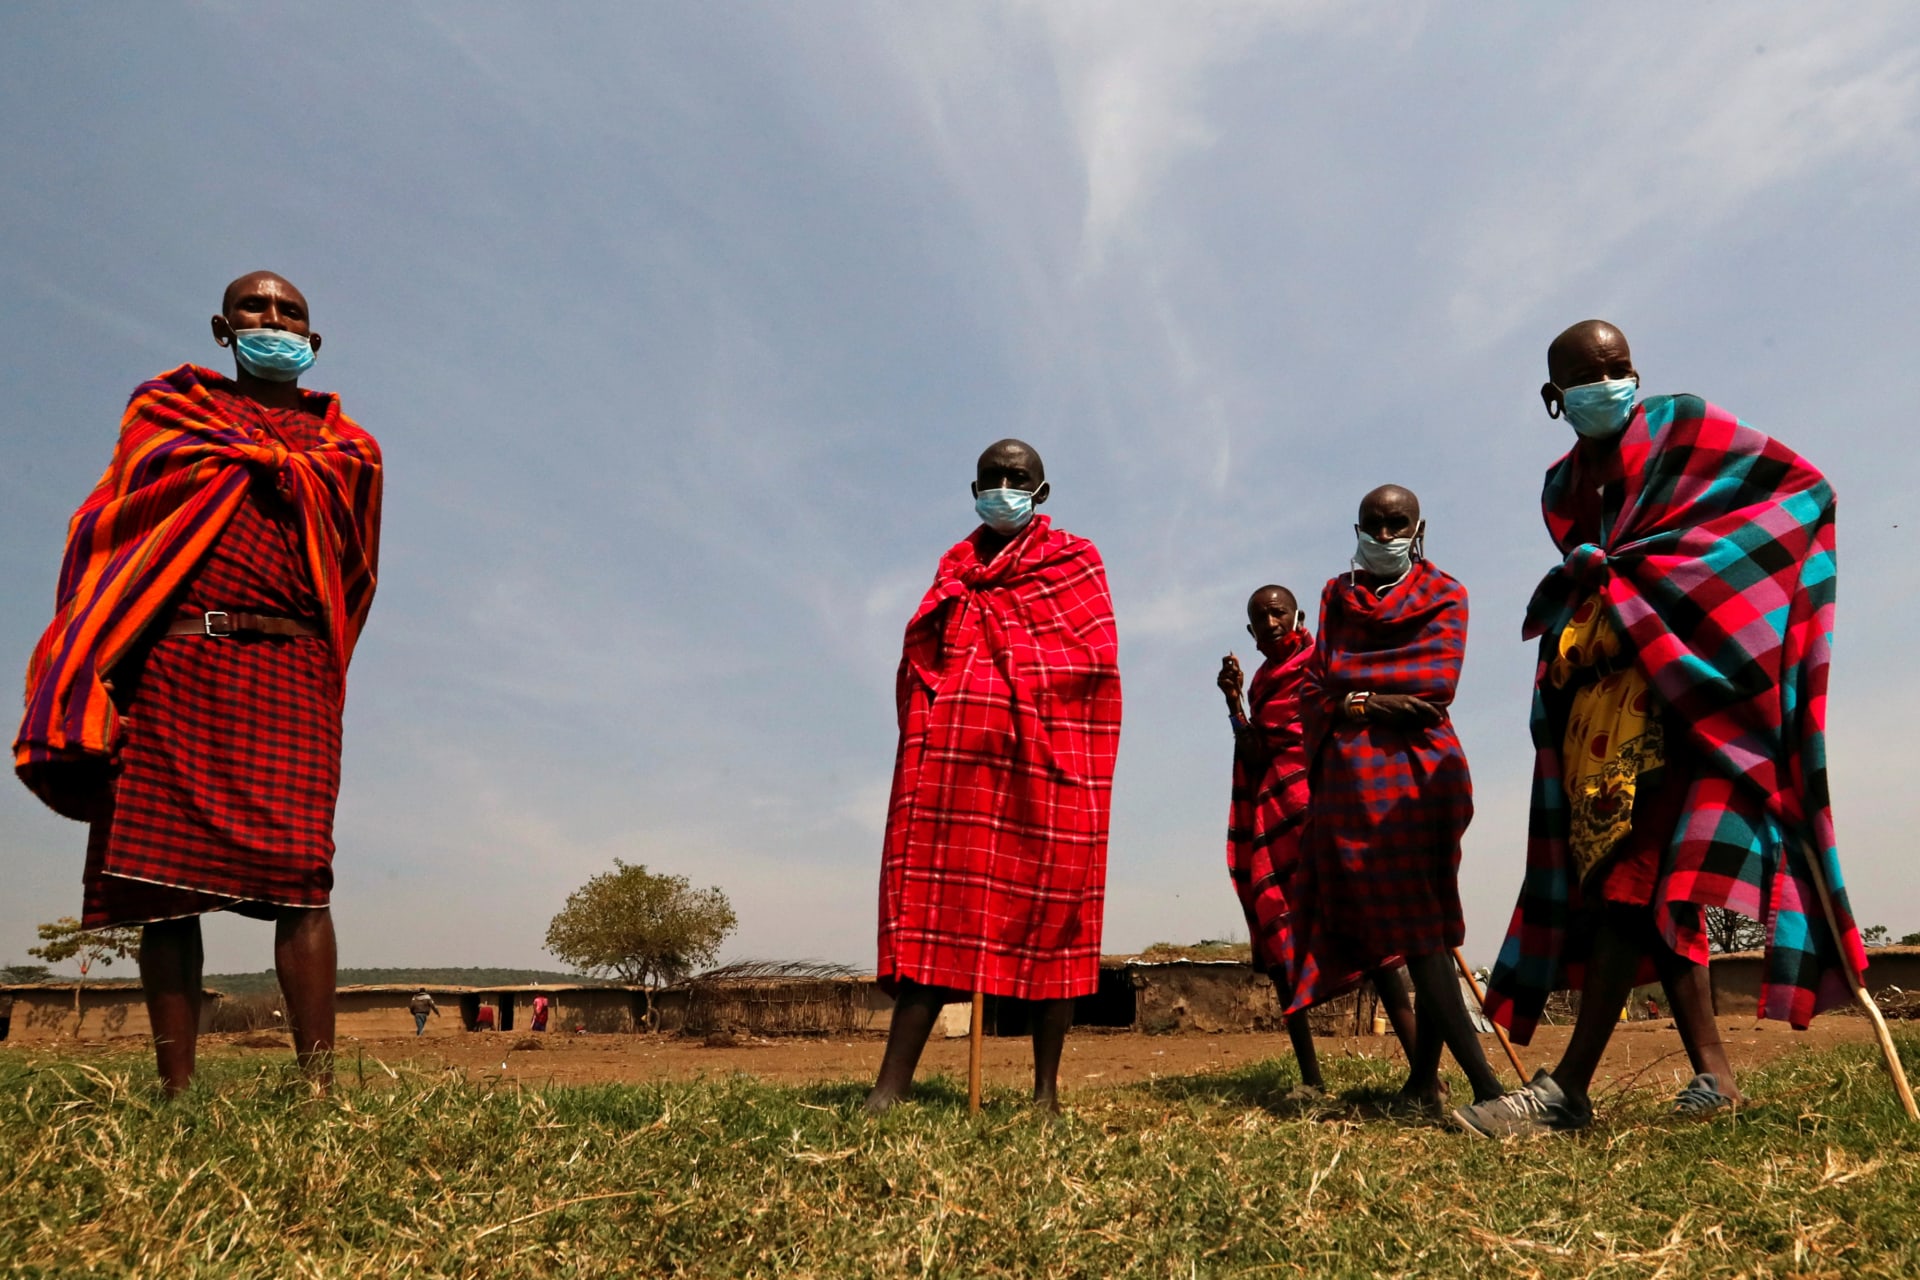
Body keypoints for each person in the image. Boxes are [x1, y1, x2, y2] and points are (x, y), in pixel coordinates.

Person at [1461, 320, 1862, 1136]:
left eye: (1619, 367)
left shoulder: (1683, 429)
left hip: (1690, 694)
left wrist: (1677, 580)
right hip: (1602, 716)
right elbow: (1599, 582)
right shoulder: (1562, 489)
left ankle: (1569, 1089)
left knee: (1628, 883)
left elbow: (1804, 489)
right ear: (1554, 398)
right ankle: (1716, 1076)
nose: (1609, 382)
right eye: (1587, 375)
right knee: (1659, 893)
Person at [14, 272, 382, 1094]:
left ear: (313, 342)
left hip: (293, 670)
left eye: (291, 312)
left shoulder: (349, 451)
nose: (274, 320)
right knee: (160, 886)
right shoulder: (169, 415)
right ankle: (177, 1090)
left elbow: (353, 571)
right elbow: (107, 529)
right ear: (225, 327)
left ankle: (317, 1088)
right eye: (257, 308)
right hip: (179, 663)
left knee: (304, 877)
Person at [867, 439, 1122, 1114]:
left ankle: (1045, 1094)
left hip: (1049, 766)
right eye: (993, 478)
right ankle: (890, 1088)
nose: (1004, 486)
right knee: (936, 910)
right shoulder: (955, 566)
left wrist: (1016, 679)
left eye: (1018, 478)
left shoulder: (1073, 560)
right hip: (959, 764)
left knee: (1053, 918)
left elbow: (1092, 663)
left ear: (1041, 490)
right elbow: (924, 653)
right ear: (973, 486)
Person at [1285, 486, 1507, 1112]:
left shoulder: (1447, 596)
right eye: (1373, 525)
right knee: (1419, 933)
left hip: (1424, 780)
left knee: (1424, 933)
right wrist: (1369, 702)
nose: (1384, 535)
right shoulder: (1335, 596)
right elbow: (1317, 686)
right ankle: (1423, 1086)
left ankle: (1486, 1091)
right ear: (1355, 528)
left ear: (1419, 528)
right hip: (1352, 788)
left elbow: (1434, 687)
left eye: (1397, 523)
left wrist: (1351, 696)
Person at [1217, 585, 1417, 1096]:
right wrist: (1235, 701)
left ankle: (1425, 1077)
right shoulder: (1261, 683)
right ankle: (1311, 1078)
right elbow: (1256, 750)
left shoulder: (1326, 658)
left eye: (1278, 611)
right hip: (1280, 817)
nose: (1272, 621)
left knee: (1377, 941)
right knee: (1283, 938)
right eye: (1260, 617)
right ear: (1251, 633)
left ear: (1297, 613)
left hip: (1328, 802)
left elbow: (1349, 720)